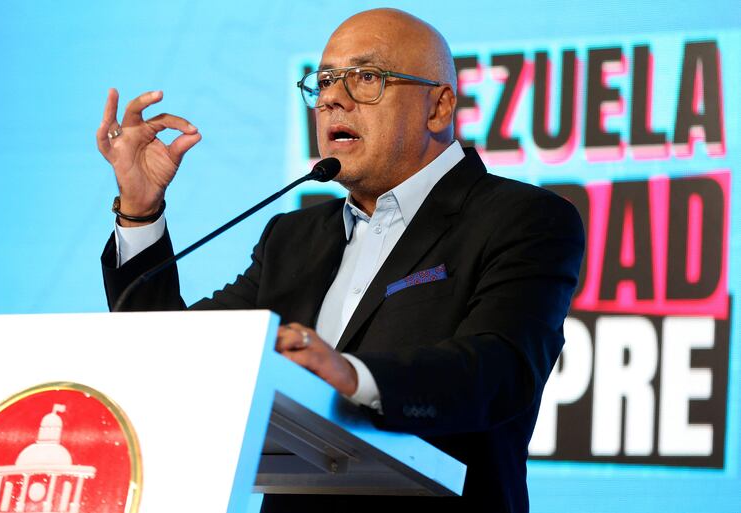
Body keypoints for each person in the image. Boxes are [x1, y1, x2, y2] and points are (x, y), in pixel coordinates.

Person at [96, 8, 584, 513]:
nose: (332, 98)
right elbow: (169, 355)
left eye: (366, 77)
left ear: (438, 108)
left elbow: (499, 370)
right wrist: (140, 209)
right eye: (325, 81)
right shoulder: (293, 236)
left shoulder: (523, 218)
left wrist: (351, 376)